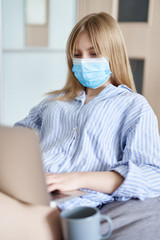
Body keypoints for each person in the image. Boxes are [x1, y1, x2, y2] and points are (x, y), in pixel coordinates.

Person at [1, 12, 160, 240]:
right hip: (31, 189)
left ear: (113, 54)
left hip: (69, 204)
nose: (84, 62)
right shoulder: (53, 103)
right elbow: (15, 141)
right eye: (77, 55)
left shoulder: (133, 106)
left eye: (93, 54)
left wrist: (77, 178)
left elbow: (152, 175)